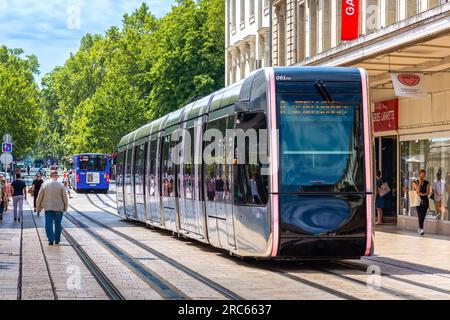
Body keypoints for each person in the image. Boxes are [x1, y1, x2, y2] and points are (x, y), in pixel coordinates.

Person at [36, 171, 69, 245]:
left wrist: (38, 206)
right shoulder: (61, 185)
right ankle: (57, 239)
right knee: (58, 224)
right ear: (55, 176)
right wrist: (65, 207)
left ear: (50, 176)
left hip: (48, 207)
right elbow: (65, 198)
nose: (57, 177)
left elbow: (39, 197)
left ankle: (51, 239)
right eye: (57, 175)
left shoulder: (44, 184)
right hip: (59, 208)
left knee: (48, 224)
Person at [413, 169, 430, 236]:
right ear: (419, 174)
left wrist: (423, 194)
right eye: (422, 174)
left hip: (425, 201)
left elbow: (428, 192)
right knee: (420, 215)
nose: (423, 176)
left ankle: (420, 227)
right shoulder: (415, 182)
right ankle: (421, 229)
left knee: (423, 215)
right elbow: (417, 191)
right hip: (418, 201)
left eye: (424, 174)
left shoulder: (427, 182)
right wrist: (420, 183)